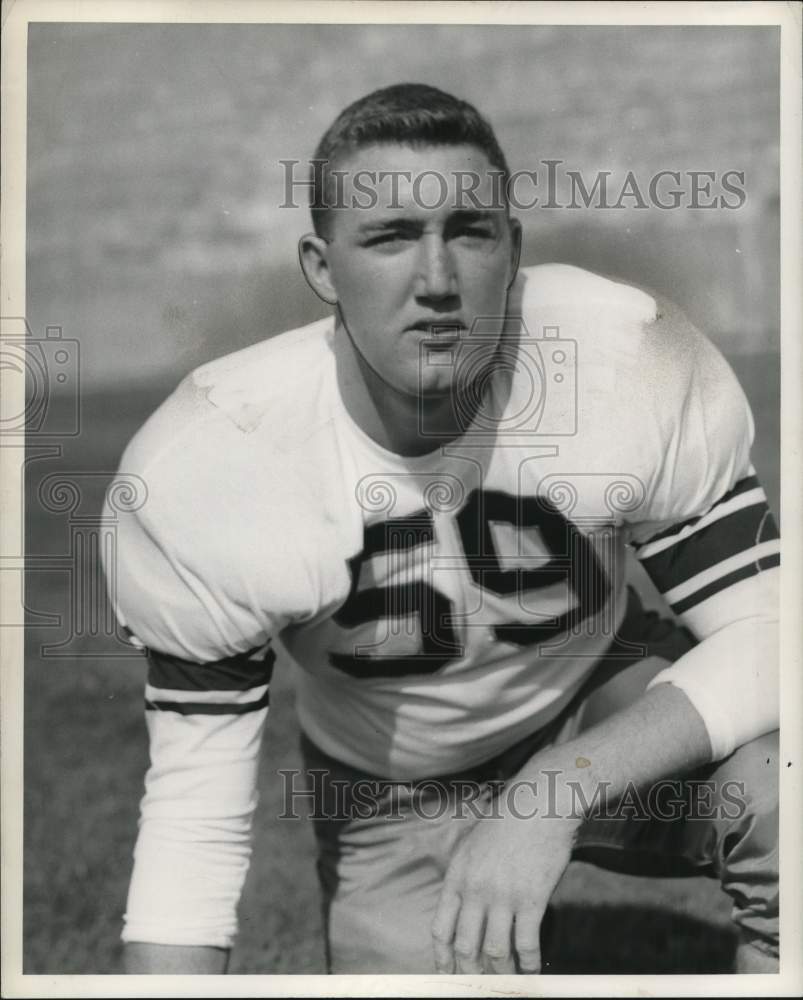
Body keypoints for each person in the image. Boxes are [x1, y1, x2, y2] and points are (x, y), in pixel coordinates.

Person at [105, 83, 780, 975]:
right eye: (389, 237)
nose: (436, 281)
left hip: (588, 700)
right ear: (320, 267)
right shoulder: (214, 463)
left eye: (468, 231)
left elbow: (776, 637)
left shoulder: (622, 355)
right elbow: (195, 818)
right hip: (389, 789)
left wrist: (555, 788)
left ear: (514, 247)